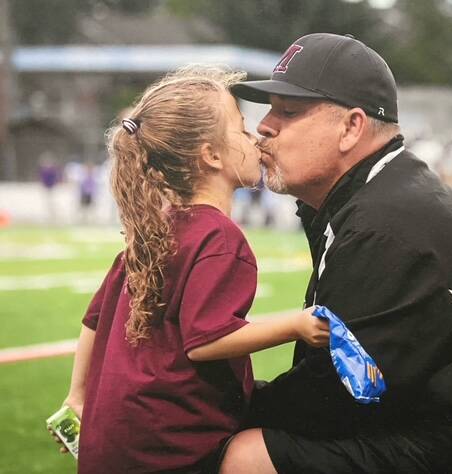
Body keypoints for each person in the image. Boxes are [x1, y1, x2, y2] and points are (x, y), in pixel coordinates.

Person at [224, 33, 452, 473]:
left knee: (248, 457)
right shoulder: (379, 197)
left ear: (351, 127)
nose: (265, 125)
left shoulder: (386, 224)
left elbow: (339, 396)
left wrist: (215, 409)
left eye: (289, 111)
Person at [49, 65, 329, 473]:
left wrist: (77, 396)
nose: (255, 138)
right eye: (241, 126)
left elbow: (93, 322)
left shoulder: (152, 232)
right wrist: (298, 325)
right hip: (167, 448)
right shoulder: (219, 239)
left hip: (110, 440)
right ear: (211, 155)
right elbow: (205, 341)